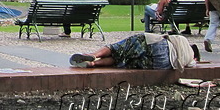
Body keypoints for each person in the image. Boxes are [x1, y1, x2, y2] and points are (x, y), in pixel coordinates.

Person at [70, 33, 199, 70]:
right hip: (162, 64)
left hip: (159, 46)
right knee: (124, 61)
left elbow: (169, 37)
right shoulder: (190, 60)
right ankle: (93, 64)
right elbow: (191, 65)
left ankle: (94, 55)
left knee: (121, 48)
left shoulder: (183, 40)